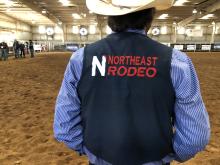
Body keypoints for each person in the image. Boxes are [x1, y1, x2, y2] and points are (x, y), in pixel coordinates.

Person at [54, 0, 210, 165]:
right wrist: (170, 154)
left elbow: (64, 125)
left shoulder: (80, 59)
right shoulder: (177, 62)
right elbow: (195, 137)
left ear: (110, 17)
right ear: (149, 18)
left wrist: (90, 149)